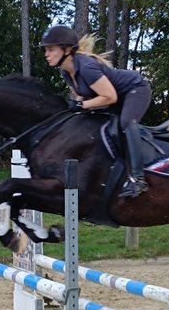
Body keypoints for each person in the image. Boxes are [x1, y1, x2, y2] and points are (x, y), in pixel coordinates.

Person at [40, 25, 151, 198]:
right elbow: (82, 97)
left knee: (125, 124)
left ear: (67, 50)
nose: (46, 54)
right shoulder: (66, 72)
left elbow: (110, 97)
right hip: (115, 96)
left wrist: (82, 106)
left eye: (51, 50)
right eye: (46, 50)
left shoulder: (86, 67)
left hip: (135, 89)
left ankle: (138, 179)